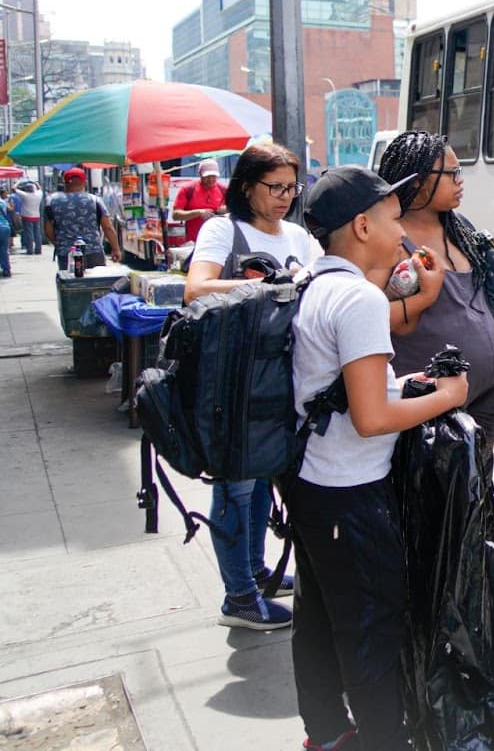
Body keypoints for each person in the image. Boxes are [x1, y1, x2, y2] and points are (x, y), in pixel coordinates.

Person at [290, 164, 470, 751]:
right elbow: (370, 420)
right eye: (395, 218)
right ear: (363, 225)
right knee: (371, 627)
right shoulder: (358, 299)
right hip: (351, 494)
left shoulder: (313, 283)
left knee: (318, 618)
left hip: (312, 485)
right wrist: (446, 396)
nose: (403, 231)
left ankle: (325, 734)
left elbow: (344, 389)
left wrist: (405, 384)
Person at [184, 142, 321, 632]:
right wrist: (276, 286)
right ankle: (238, 596)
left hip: (284, 380)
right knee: (236, 487)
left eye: (291, 187)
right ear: (246, 187)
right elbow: (196, 288)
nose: (285, 197)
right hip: (235, 382)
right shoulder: (223, 230)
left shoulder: (301, 237)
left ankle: (255, 570)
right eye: (275, 187)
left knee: (262, 478)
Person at [375, 130, 494, 443]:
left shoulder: (459, 227)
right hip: (431, 407)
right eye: (452, 173)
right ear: (418, 180)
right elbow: (370, 315)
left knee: (476, 489)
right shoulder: (389, 239)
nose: (460, 180)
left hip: (486, 399)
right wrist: (425, 297)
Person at [43, 167, 120, 270]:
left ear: (64, 183)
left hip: (67, 254)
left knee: (69, 282)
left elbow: (48, 230)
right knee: (96, 284)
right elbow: (107, 227)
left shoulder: (52, 202)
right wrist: (115, 249)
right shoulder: (95, 201)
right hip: (93, 252)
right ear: (85, 183)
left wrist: (59, 243)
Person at [171, 159, 228, 244]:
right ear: (200, 174)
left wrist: (227, 209)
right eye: (207, 176)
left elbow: (237, 210)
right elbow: (175, 215)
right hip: (194, 241)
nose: (211, 179)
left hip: (218, 241)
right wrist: (198, 212)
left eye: (214, 176)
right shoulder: (188, 189)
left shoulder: (223, 190)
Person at [13, 180, 43, 255]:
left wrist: (18, 182)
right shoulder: (39, 195)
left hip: (27, 216)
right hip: (36, 216)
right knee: (37, 233)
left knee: (29, 234)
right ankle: (38, 249)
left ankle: (29, 249)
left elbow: (13, 189)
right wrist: (35, 182)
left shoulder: (26, 195)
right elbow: (40, 188)